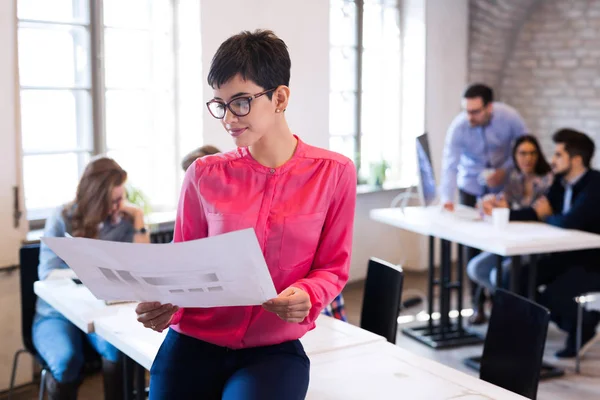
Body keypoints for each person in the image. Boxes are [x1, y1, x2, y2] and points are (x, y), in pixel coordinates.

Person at [136, 30, 356, 399]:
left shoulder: (333, 173)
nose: (227, 118)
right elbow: (182, 265)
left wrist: (308, 292)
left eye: (240, 102)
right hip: (192, 342)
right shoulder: (204, 174)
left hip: (272, 352)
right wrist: (164, 304)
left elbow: (333, 267)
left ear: (280, 97)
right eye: (220, 104)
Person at [33, 157, 150, 399]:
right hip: (57, 315)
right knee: (65, 361)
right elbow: (47, 274)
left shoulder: (123, 221)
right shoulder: (62, 217)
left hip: (104, 314)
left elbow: (142, 265)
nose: (119, 206)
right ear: (97, 198)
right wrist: (90, 269)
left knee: (118, 352)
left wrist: (138, 216)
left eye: (122, 199)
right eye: (113, 200)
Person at [440, 83, 527, 324]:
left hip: (501, 188)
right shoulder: (459, 127)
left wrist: (506, 170)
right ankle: (477, 306)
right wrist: (447, 199)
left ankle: (499, 299)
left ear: (489, 107)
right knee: (472, 247)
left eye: (475, 111)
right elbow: (450, 164)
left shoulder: (509, 117)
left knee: (498, 242)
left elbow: (525, 148)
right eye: (466, 111)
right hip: (470, 186)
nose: (470, 116)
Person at [510, 128, 600, 358]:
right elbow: (536, 211)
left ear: (577, 159)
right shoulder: (560, 183)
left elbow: (571, 220)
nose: (552, 160)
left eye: (559, 155)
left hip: (592, 262)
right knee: (518, 277)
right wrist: (502, 213)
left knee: (553, 294)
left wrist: (547, 216)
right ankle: (525, 337)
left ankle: (583, 326)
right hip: (563, 256)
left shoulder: (595, 184)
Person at [467, 135, 552, 317]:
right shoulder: (516, 177)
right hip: (514, 240)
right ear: (515, 156)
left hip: (536, 244)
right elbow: (502, 203)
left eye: (532, 153)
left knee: (499, 274)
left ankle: (513, 312)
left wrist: (506, 210)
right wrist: (490, 203)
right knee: (477, 268)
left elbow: (536, 214)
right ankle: (515, 305)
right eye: (523, 153)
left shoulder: (547, 181)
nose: (528, 158)